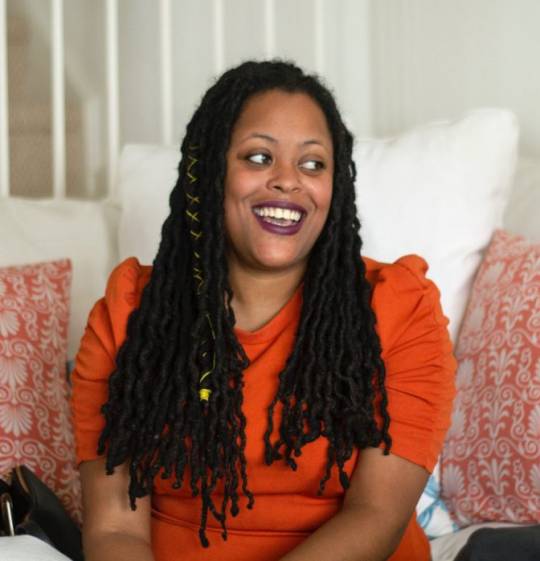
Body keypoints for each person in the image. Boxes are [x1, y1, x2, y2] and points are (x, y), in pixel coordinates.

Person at [70, 60, 456, 561]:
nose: (288, 182)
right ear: (208, 172)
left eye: (313, 164)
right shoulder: (127, 319)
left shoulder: (400, 310)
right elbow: (115, 531)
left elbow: (376, 518)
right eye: (258, 157)